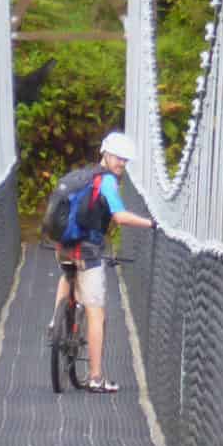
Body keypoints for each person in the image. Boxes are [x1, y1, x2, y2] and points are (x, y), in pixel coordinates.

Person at [54, 130, 155, 393]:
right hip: (88, 251)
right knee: (96, 313)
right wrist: (152, 224)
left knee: (67, 273)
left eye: (125, 160)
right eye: (118, 158)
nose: (122, 163)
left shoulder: (82, 176)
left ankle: (55, 324)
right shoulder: (107, 182)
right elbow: (119, 217)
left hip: (63, 245)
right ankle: (96, 377)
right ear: (106, 154)